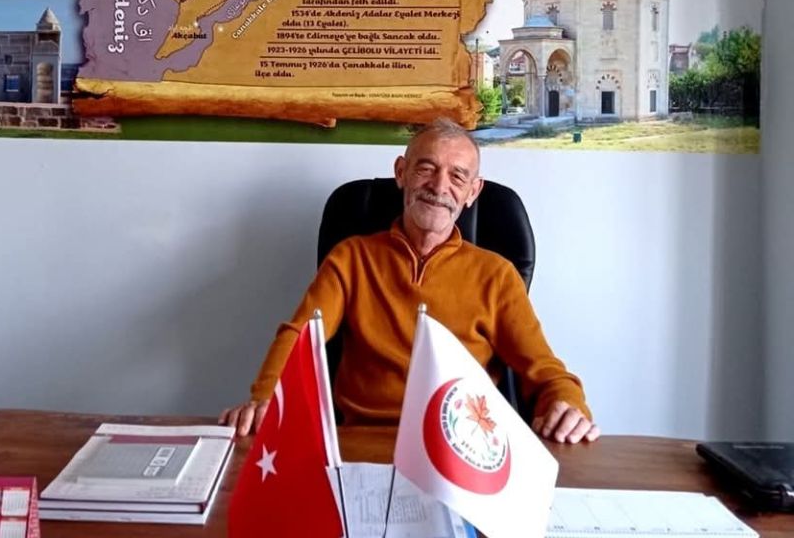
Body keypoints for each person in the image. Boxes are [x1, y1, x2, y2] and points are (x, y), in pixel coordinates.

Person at [219, 118, 599, 444]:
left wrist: (568, 405)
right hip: (361, 442)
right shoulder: (352, 257)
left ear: (472, 192)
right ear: (401, 173)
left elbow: (544, 370)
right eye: (426, 168)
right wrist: (266, 398)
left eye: (457, 176)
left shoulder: (497, 275)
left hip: (460, 449)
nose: (439, 186)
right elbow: (300, 335)